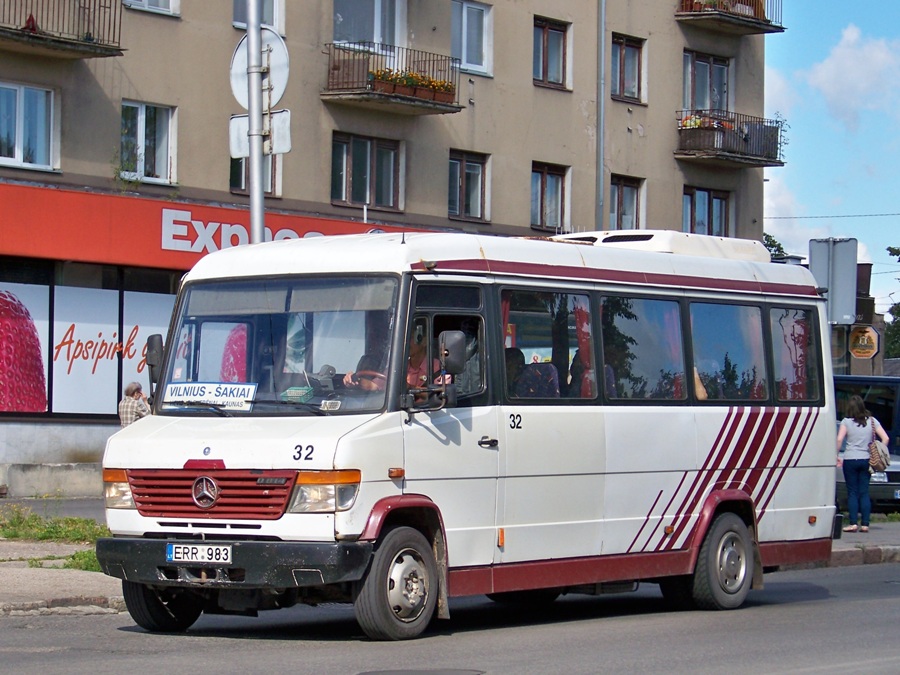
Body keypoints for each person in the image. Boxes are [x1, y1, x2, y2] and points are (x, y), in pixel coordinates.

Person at [836, 394, 889, 533]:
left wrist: (835, 455)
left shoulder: (846, 422)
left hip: (850, 459)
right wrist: (877, 452)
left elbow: (839, 440)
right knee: (864, 492)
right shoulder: (872, 421)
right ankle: (865, 524)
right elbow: (886, 438)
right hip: (866, 460)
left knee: (852, 492)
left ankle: (853, 523)